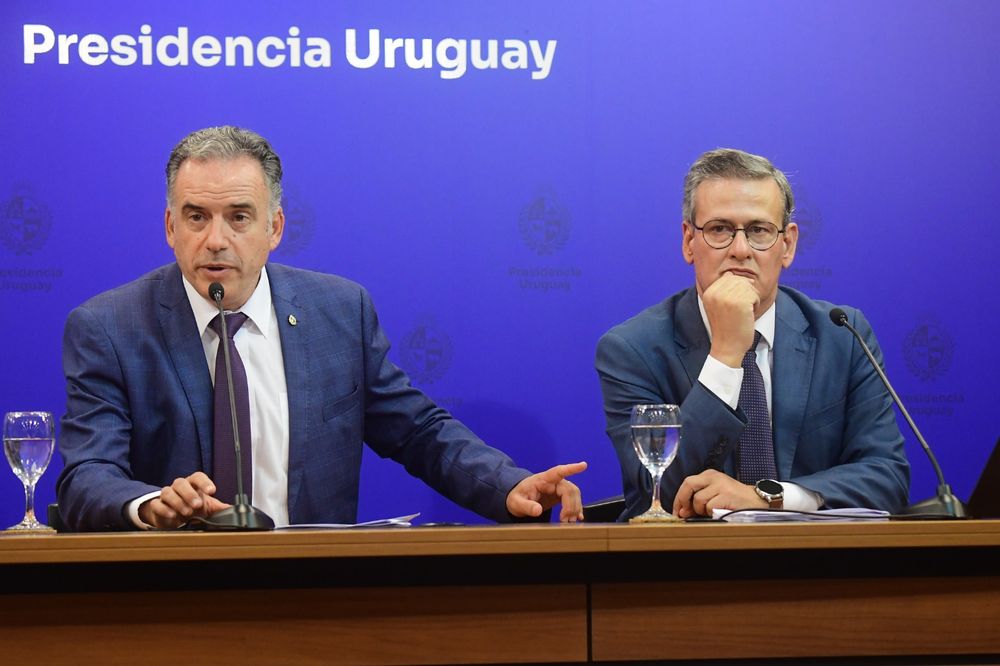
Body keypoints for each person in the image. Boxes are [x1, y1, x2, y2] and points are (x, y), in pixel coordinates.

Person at [57, 125, 586, 531]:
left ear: (275, 228)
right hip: (169, 595)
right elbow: (87, 476)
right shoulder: (110, 328)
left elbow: (418, 431)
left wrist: (507, 482)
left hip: (314, 588)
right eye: (196, 217)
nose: (215, 239)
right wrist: (149, 503)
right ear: (170, 227)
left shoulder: (337, 312)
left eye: (239, 217)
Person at [595, 148, 909, 520]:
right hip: (688, 571)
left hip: (818, 566)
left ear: (787, 244)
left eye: (758, 230)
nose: (740, 250)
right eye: (719, 230)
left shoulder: (842, 335)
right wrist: (726, 356)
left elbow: (887, 476)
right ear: (688, 242)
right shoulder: (633, 349)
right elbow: (655, 493)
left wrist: (766, 497)